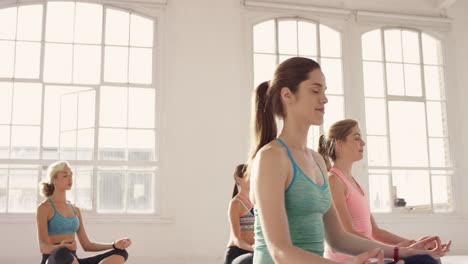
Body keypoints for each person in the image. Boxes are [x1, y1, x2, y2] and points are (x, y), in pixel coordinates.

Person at [248, 57, 451, 264]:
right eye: (315, 91)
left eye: (325, 91)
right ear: (287, 95)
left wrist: (404, 251)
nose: (324, 99)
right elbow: (280, 251)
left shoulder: (317, 161)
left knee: (423, 261)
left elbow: (339, 239)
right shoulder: (271, 157)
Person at [318, 119, 446, 263]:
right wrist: (399, 251)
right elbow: (347, 233)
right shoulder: (334, 180)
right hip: (351, 261)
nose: (363, 143)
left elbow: (375, 232)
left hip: (367, 259)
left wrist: (412, 244)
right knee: (426, 261)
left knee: (428, 257)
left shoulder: (354, 183)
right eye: (356, 138)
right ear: (339, 144)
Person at [37, 161, 131, 264]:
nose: (70, 179)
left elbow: (87, 245)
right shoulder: (44, 208)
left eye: (71, 175)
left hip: (74, 260)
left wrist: (114, 245)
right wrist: (61, 246)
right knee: (62, 253)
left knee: (121, 253)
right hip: (53, 259)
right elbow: (43, 248)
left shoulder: (75, 209)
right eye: (65, 176)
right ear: (53, 179)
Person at [224, 164, 254, 264]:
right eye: (248, 175)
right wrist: (254, 249)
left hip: (254, 252)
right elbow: (236, 239)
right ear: (238, 180)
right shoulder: (236, 203)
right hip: (237, 254)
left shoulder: (258, 202)